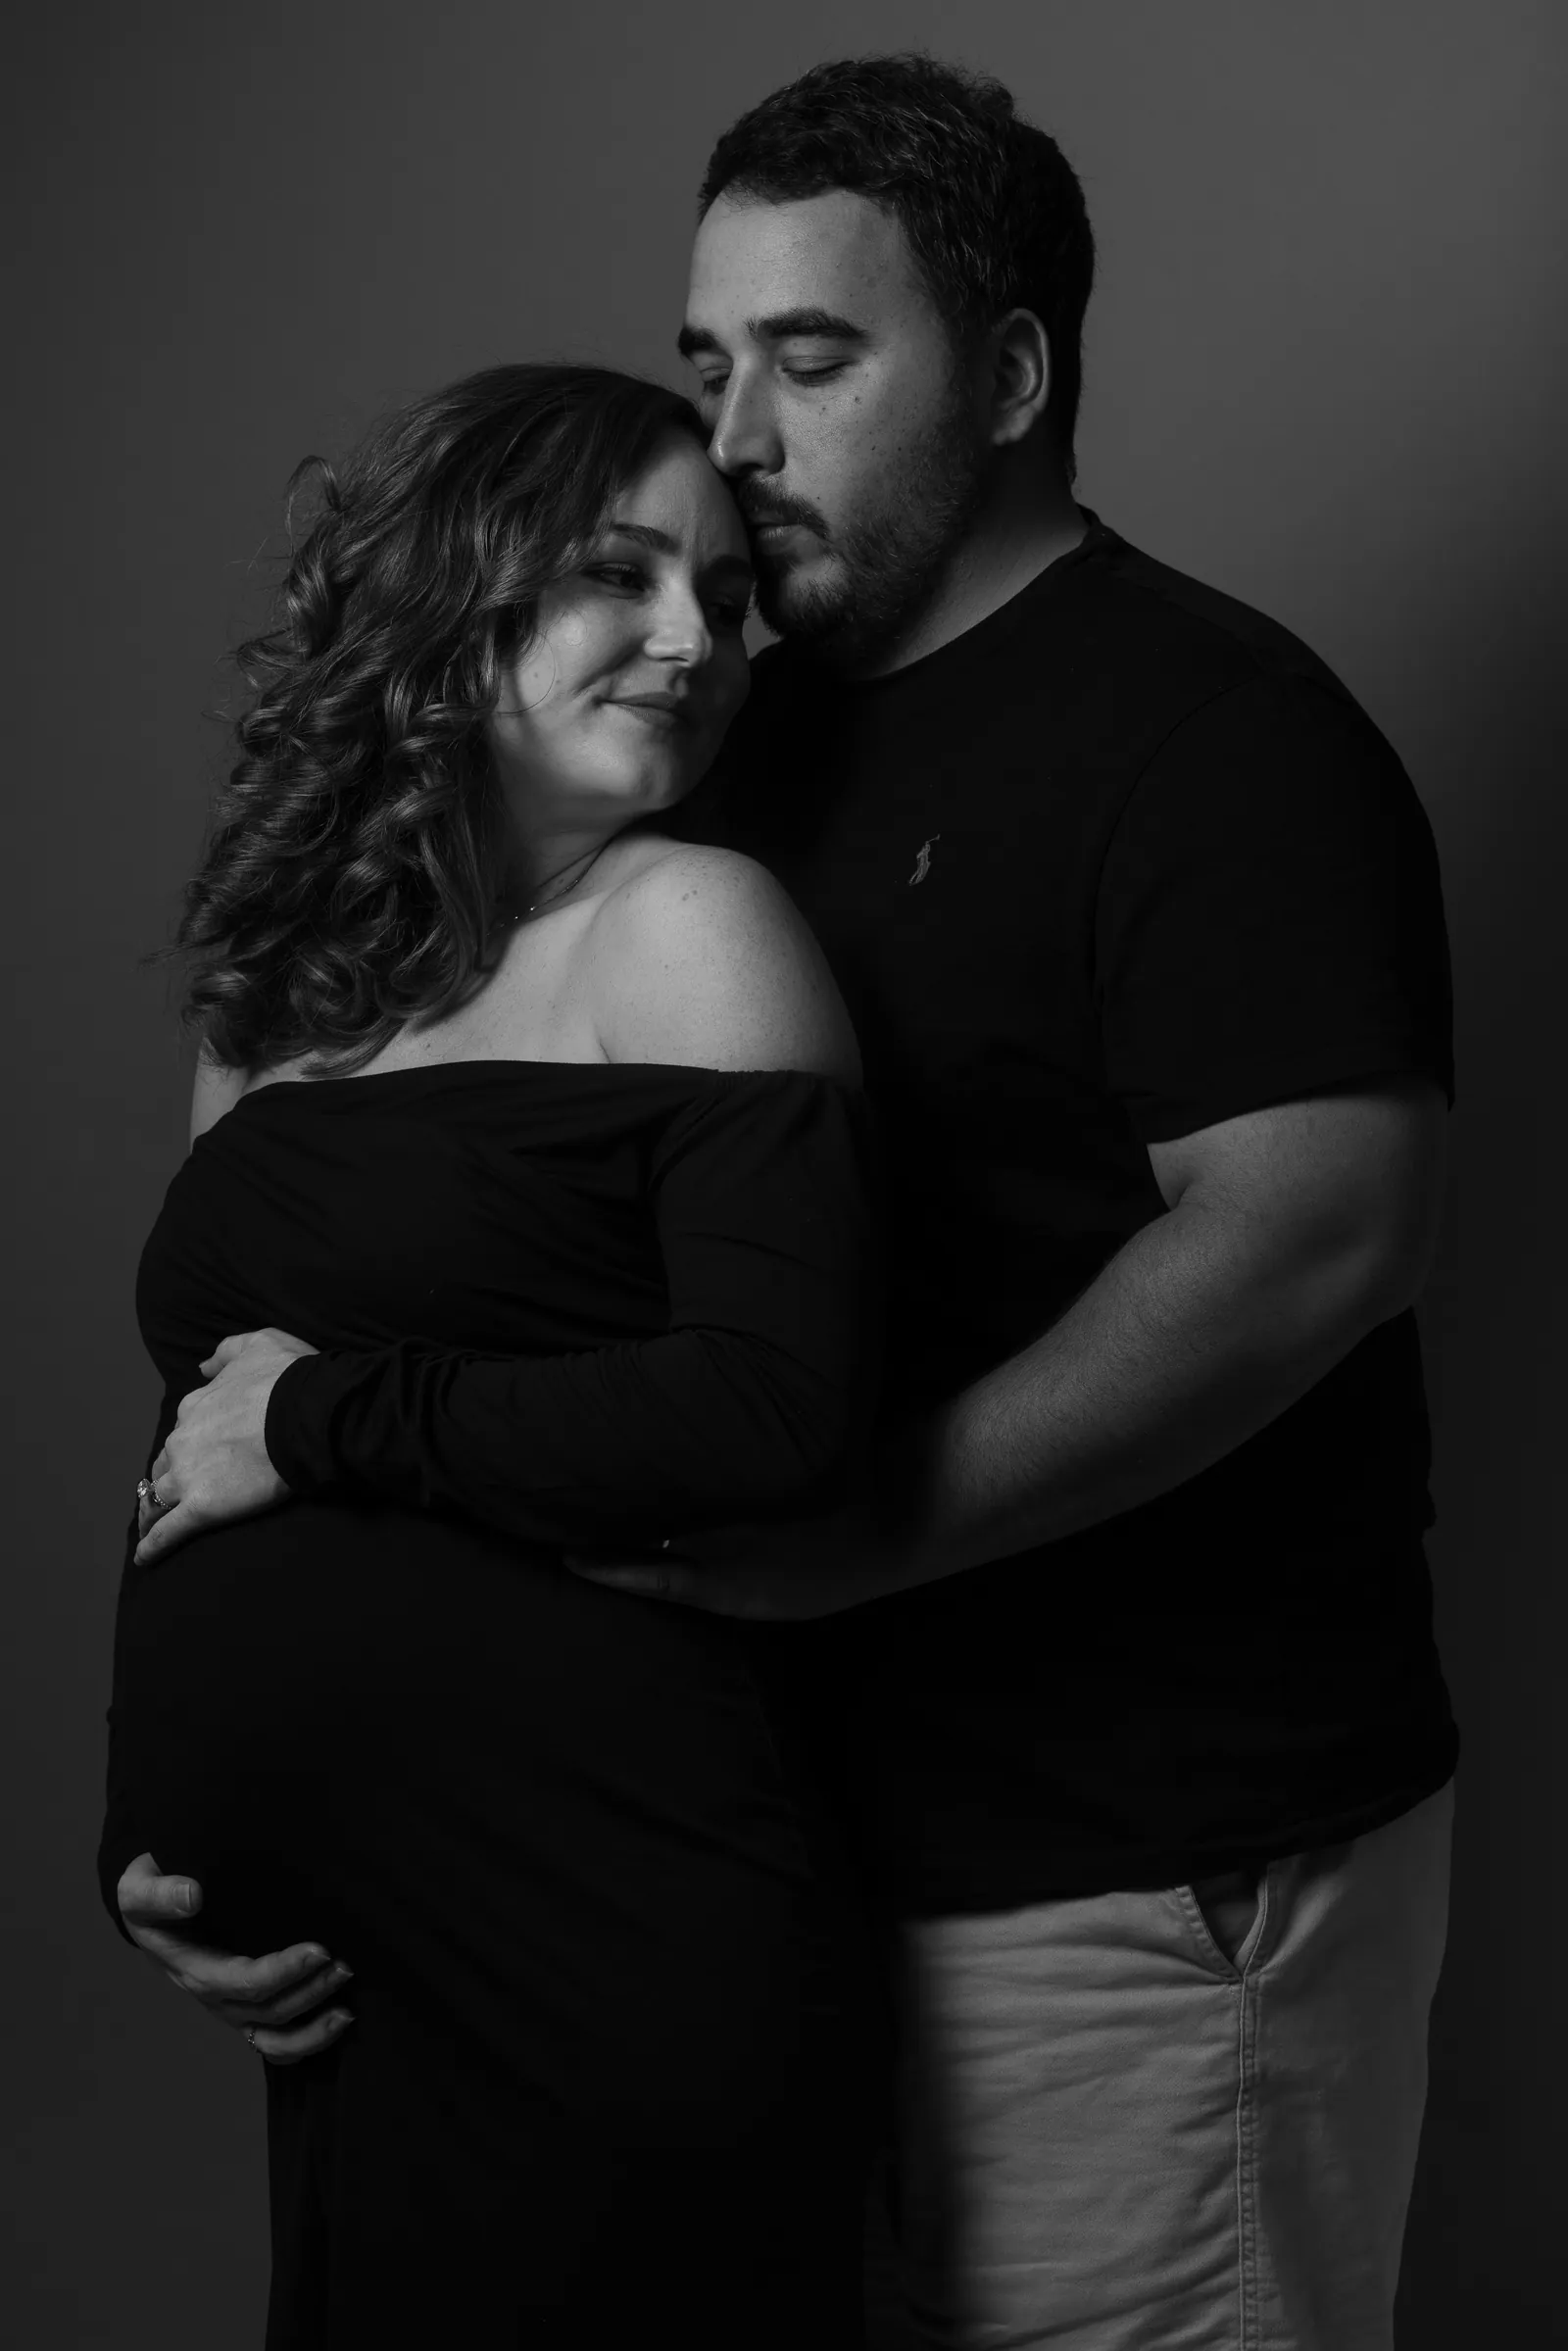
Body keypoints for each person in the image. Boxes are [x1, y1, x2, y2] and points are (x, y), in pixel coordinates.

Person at [116, 53, 1458, 2351]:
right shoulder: (731, 728)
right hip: (768, 1827)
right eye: (704, 362)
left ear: (1011, 374)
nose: (734, 436)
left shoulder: (1204, 724)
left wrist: (870, 1528)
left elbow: (1307, 1230)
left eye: (812, 361)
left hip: (1120, 1858)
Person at [98, 361, 887, 2348]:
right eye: (620, 575)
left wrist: (326, 1413)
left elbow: (776, 1407)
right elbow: (197, 1432)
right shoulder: (279, 981)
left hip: (605, 1920)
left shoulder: (691, 928)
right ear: (459, 596)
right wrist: (148, 1841)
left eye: (721, 584)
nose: (699, 636)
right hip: (348, 1979)